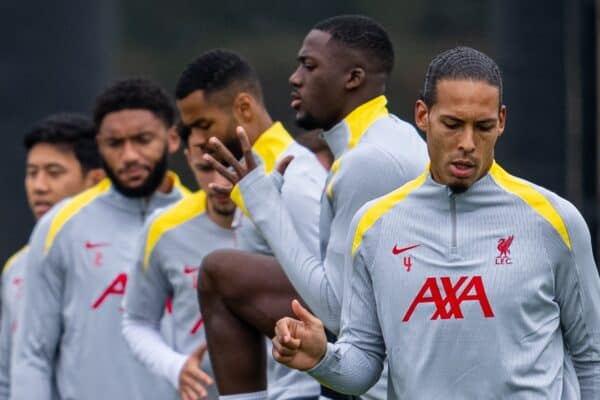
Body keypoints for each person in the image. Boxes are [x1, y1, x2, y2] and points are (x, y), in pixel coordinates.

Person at [272, 46, 600, 399]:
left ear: (502, 121)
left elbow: (592, 357)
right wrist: (322, 357)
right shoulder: (374, 226)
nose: (468, 143)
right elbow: (364, 363)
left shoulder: (555, 221)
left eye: (484, 127)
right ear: (422, 115)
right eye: (453, 124)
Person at [200, 15, 428, 400]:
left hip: (385, 385)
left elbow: (336, 312)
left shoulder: (367, 162)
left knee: (219, 271)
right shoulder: (392, 138)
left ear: (352, 78)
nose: (294, 78)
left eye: (309, 65)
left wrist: (263, 202)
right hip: (389, 372)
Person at [11, 79, 190, 400]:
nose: (129, 156)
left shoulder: (200, 220)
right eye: (115, 143)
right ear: (99, 145)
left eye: (143, 140)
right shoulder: (60, 226)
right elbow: (32, 354)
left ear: (173, 137)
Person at [175, 49, 325, 399]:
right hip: (285, 386)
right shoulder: (254, 181)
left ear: (244, 108)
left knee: (217, 271)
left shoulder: (296, 176)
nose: (196, 141)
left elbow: (330, 296)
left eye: (204, 125)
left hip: (310, 389)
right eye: (190, 129)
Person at [122, 120, 238, 400]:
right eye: (205, 168)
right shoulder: (164, 228)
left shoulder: (285, 214)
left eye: (230, 165)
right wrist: (176, 367)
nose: (220, 183)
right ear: (188, 158)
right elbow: (136, 321)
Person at [0, 113, 104, 399]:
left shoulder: (128, 255)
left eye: (54, 172)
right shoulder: (16, 267)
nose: (39, 186)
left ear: (95, 180)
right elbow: (7, 375)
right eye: (32, 173)